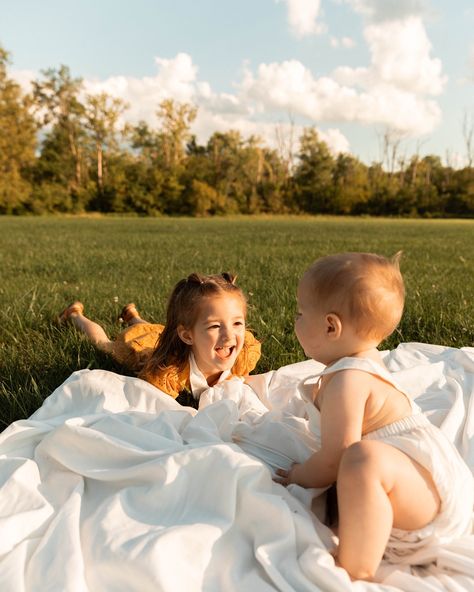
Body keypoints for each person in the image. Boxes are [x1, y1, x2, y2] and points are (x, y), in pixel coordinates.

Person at [275, 252, 473, 581]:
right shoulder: (360, 364)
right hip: (416, 487)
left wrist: (298, 475)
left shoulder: (349, 379)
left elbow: (333, 459)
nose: (295, 321)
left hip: (429, 499)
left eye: (300, 313)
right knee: (361, 462)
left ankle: (357, 567)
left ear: (330, 326)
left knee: (360, 458)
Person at [58, 273, 261, 408]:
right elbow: (158, 409)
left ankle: (132, 315)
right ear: (187, 336)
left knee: (155, 329)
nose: (229, 335)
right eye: (215, 326)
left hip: (162, 334)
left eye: (237, 323)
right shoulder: (168, 371)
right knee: (104, 344)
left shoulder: (243, 352)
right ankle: (76, 315)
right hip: (140, 345)